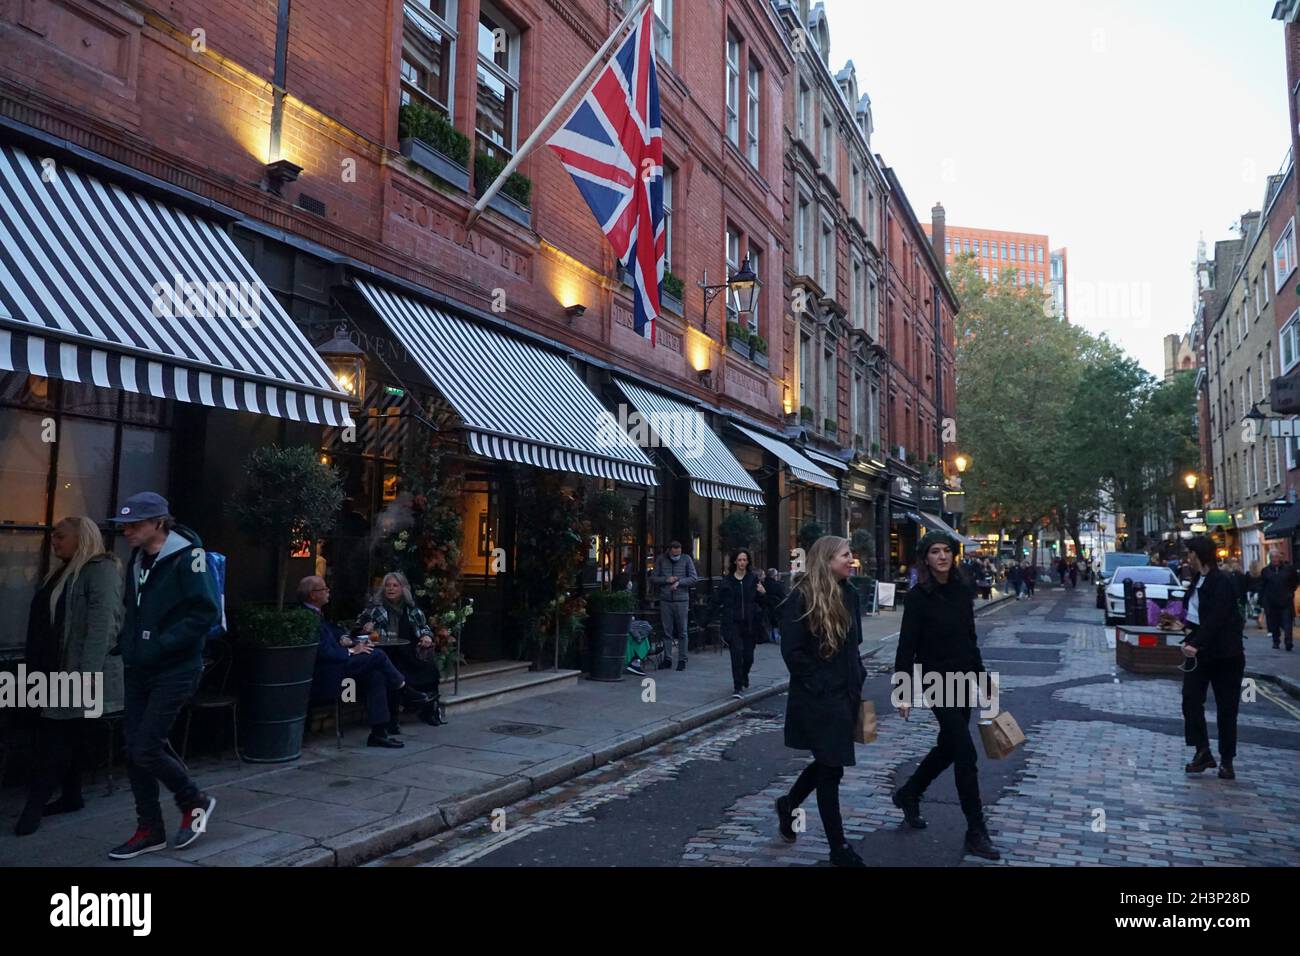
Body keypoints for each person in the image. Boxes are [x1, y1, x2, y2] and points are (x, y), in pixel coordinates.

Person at [106, 493, 220, 860]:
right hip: (139, 667)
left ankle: (194, 800)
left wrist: (159, 644)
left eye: (134, 525)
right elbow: (133, 610)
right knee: (134, 750)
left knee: (146, 747)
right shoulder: (139, 558)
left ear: (159, 522)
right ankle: (149, 829)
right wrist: (126, 644)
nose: (126, 531)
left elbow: (205, 613)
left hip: (176, 667)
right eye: (124, 525)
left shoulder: (190, 557)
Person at [892, 531, 1000, 861]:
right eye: (935, 551)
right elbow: (906, 647)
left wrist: (982, 679)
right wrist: (902, 691)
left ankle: (910, 792)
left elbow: (969, 638)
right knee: (965, 752)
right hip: (936, 681)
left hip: (964, 678)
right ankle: (976, 830)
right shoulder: (917, 598)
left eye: (947, 551)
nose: (942, 556)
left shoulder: (962, 590)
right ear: (925, 558)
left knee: (948, 748)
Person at [16, 517, 124, 836]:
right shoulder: (62, 571)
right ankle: (72, 795)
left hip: (75, 672)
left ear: (81, 538)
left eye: (61, 536)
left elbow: (102, 627)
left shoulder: (99, 570)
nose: (54, 541)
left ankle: (34, 806)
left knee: (54, 737)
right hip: (47, 668)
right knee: (63, 735)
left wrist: (87, 676)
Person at [774, 535, 867, 867]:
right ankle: (838, 847)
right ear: (827, 559)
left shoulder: (850, 594)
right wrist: (821, 685)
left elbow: (853, 645)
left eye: (850, 554)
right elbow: (793, 652)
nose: (851, 560)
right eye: (845, 555)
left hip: (845, 695)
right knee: (830, 770)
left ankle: (789, 803)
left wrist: (858, 676)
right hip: (819, 699)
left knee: (831, 764)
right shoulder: (801, 598)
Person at [300, 576, 430, 747]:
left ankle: (379, 733)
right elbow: (322, 652)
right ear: (312, 595)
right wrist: (351, 650)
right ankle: (405, 689)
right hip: (328, 675)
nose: (328, 591)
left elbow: (335, 631)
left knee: (376, 675)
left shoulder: (317, 614)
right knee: (377, 655)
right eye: (324, 589)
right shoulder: (307, 617)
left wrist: (345, 638)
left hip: (341, 666)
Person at [1180, 537, 1246, 779]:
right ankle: (1203, 751)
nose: (1188, 558)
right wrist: (1182, 626)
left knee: (1226, 708)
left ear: (1199, 555)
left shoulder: (1222, 582)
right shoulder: (1198, 580)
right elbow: (1196, 616)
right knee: (1189, 700)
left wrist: (1196, 643)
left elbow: (1217, 618)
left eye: (1190, 554)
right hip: (1199, 652)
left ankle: (1227, 761)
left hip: (1225, 654)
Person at [355, 573, 445, 726]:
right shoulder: (375, 609)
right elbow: (356, 629)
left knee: (430, 669)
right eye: (388, 585)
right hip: (385, 652)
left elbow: (424, 628)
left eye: (395, 586)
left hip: (409, 651)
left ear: (403, 589)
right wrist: (365, 629)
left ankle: (429, 711)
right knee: (393, 671)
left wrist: (427, 636)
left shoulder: (411, 609)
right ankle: (392, 718)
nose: (390, 589)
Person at [711, 549, 766, 698]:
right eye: (740, 560)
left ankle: (744, 675)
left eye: (745, 560)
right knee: (736, 654)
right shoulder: (727, 581)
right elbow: (716, 601)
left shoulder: (752, 579)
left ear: (748, 562)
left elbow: (761, 603)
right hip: (733, 623)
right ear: (735, 562)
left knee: (748, 656)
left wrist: (763, 593)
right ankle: (737, 686)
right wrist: (705, 620)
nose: (742, 563)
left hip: (750, 624)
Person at [651, 541, 698, 671]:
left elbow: (694, 578)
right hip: (665, 600)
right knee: (667, 632)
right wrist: (666, 580)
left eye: (678, 553)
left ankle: (682, 659)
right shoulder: (661, 559)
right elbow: (654, 578)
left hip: (681, 600)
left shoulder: (686, 559)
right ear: (669, 551)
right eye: (674, 553)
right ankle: (667, 659)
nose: (676, 555)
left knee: (682, 631)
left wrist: (679, 582)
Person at [1258, 550, 1297, 651]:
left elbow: (1294, 582)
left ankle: (1288, 641)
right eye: (1273, 558)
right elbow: (1262, 586)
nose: (1275, 559)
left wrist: (1290, 593)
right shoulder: (1266, 571)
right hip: (1272, 601)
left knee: (1287, 622)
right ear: (1270, 559)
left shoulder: (1288, 569)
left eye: (1277, 557)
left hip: (1285, 600)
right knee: (1274, 622)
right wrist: (1262, 600)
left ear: (1280, 558)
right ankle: (1276, 641)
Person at [764, 569, 787, 643]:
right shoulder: (777, 585)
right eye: (776, 575)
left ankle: (771, 636)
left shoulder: (764, 584)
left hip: (767, 607)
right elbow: (782, 595)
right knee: (777, 622)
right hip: (777, 607)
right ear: (774, 576)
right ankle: (776, 636)